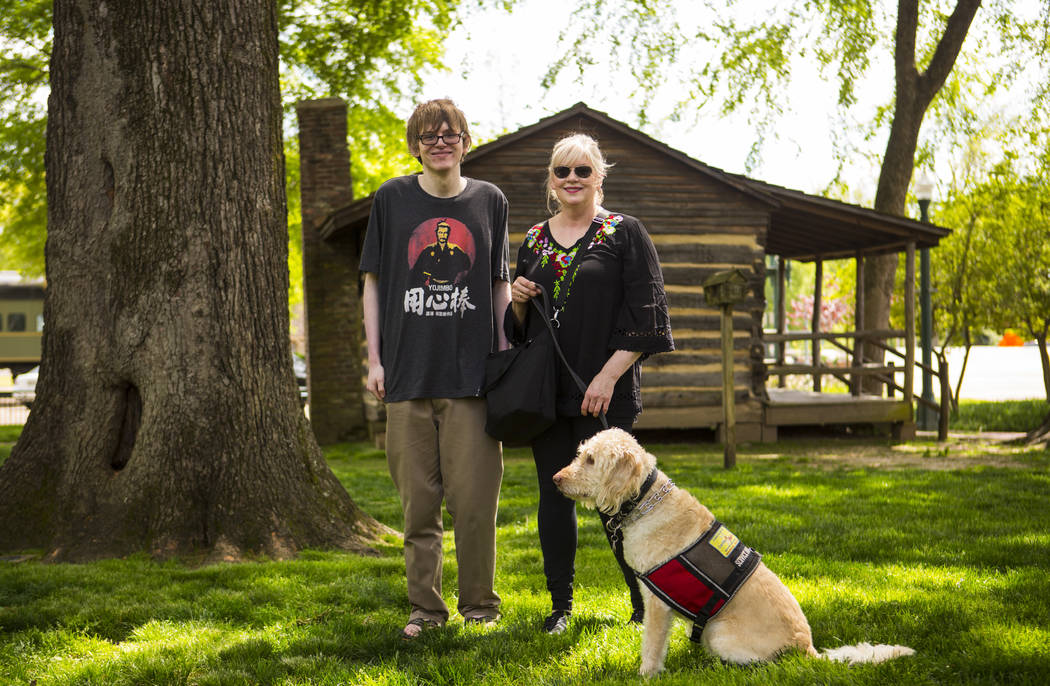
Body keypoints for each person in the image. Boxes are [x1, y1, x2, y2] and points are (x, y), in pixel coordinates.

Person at [507, 133, 674, 634]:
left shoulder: (625, 233)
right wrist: (516, 299)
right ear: (551, 181)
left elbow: (648, 318)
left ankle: (643, 604)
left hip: (607, 391)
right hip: (546, 393)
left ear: (600, 177)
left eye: (583, 171)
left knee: (619, 501)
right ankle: (561, 607)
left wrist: (606, 377)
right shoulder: (534, 239)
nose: (573, 179)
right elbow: (517, 332)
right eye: (563, 171)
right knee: (553, 495)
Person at [360, 99, 511, 640]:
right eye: (429, 135)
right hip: (406, 377)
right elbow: (374, 282)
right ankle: (425, 609)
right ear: (415, 145)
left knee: (474, 505)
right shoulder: (392, 200)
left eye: (450, 134)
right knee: (419, 507)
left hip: (472, 379)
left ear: (466, 141)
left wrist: (501, 355)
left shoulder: (489, 200)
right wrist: (374, 359)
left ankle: (480, 608)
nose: (440, 141)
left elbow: (497, 283)